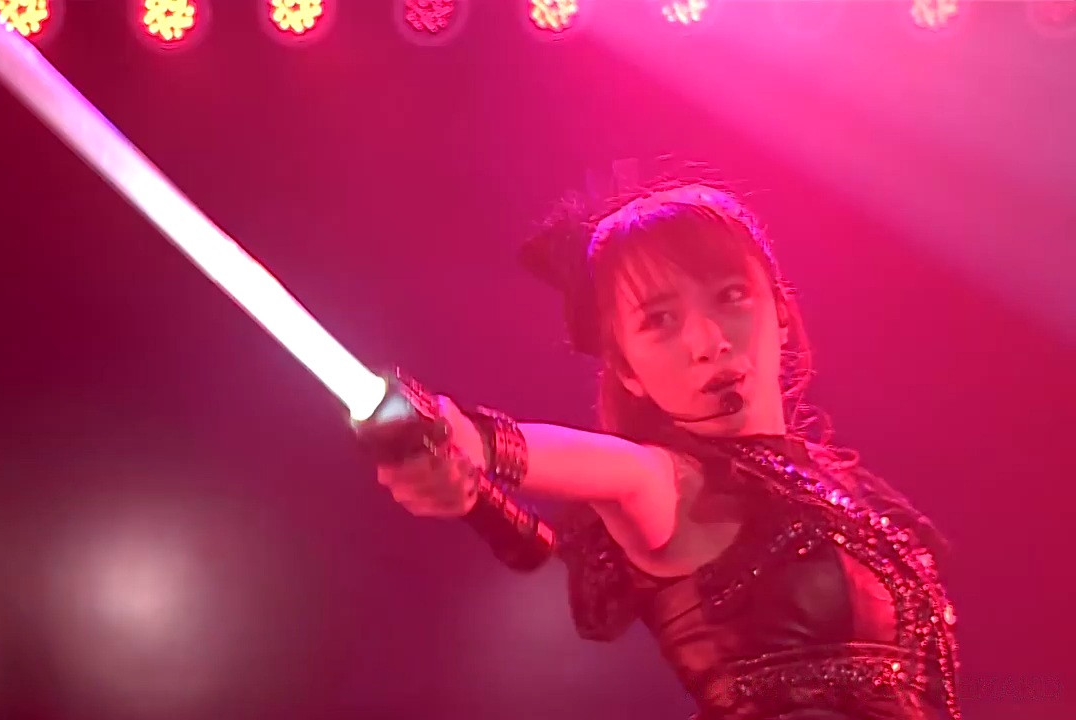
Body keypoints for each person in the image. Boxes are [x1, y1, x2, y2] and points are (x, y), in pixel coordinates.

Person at [372, 181, 962, 720]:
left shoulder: (843, 490)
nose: (708, 341)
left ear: (781, 312)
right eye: (659, 321)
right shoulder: (670, 483)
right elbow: (609, 469)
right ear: (626, 369)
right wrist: (472, 441)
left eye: (731, 295)